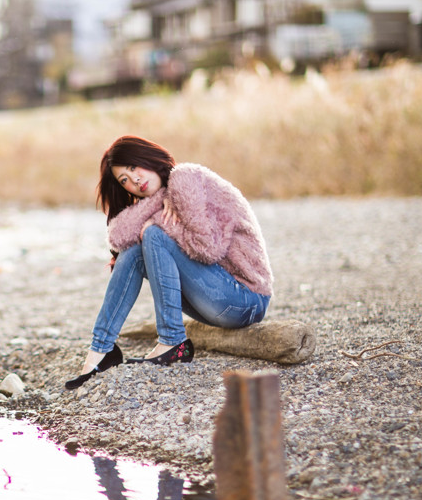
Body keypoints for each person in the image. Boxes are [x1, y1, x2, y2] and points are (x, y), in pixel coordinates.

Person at [65, 135, 273, 390]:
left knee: (153, 234)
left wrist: (158, 223)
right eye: (124, 181)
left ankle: (172, 340)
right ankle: (101, 349)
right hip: (217, 297)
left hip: (246, 299)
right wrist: (157, 204)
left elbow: (207, 249)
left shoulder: (185, 177)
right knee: (134, 251)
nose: (135, 180)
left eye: (133, 167)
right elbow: (119, 237)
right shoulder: (164, 195)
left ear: (145, 156)